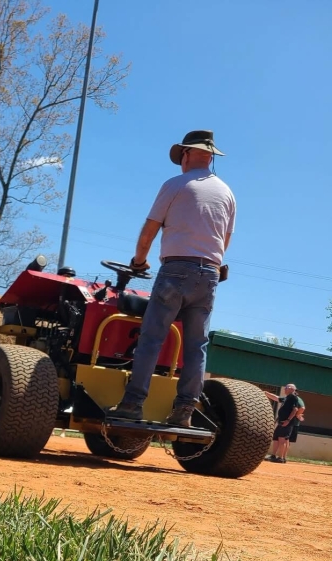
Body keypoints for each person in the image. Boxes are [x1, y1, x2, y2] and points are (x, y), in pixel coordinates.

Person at [110, 130, 236, 428]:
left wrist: (139, 261)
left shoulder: (175, 185)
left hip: (175, 269)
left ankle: (132, 404)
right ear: (211, 157)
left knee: (151, 338)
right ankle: (184, 411)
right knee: (197, 345)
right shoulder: (227, 193)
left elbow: (149, 230)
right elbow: (225, 241)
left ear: (186, 154)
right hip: (210, 273)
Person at [264, 384, 305, 463]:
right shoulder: (287, 398)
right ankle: (273, 456)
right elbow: (277, 398)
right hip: (281, 422)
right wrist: (266, 393)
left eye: (286, 388)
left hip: (287, 423)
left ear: (291, 389)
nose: (284, 389)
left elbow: (295, 409)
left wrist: (288, 420)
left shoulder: (293, 397)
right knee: (276, 438)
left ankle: (281, 458)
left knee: (282, 439)